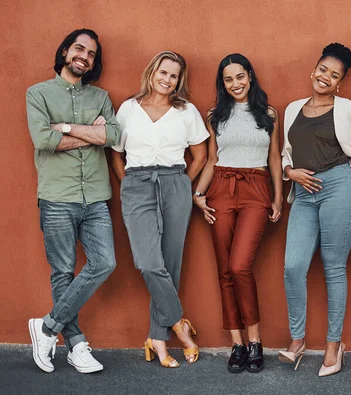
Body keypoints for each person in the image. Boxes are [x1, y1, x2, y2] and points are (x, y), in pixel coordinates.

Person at [279, 43, 351, 377]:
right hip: (305, 193)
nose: (325, 77)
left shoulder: (347, 108)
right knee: (293, 266)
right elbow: (287, 151)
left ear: (339, 83)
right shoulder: (292, 109)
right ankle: (297, 340)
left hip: (339, 187)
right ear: (314, 69)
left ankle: (334, 346)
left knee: (333, 265)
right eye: (323, 69)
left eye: (334, 75)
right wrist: (289, 171)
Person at [26, 28, 120, 373]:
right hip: (57, 196)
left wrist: (63, 128)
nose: (85, 56)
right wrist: (87, 134)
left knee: (105, 262)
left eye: (92, 53)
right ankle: (77, 344)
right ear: (65, 50)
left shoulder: (101, 96)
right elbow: (42, 139)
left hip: (95, 197)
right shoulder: (37, 93)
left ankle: (47, 327)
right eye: (79, 49)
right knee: (63, 271)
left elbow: (112, 134)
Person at [111, 51, 209, 368]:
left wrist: (182, 186)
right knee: (149, 262)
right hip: (137, 183)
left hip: (174, 183)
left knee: (170, 262)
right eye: (163, 72)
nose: (167, 80)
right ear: (152, 72)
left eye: (174, 76)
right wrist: (129, 183)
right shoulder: (128, 109)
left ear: (179, 81)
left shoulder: (186, 111)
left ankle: (157, 337)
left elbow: (201, 155)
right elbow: (116, 153)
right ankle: (179, 323)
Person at [193, 53, 283, 373]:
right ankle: (238, 343)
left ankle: (256, 341)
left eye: (240, 77)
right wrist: (198, 194)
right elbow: (212, 159)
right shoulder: (215, 115)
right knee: (225, 270)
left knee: (240, 264)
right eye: (228, 79)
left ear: (250, 76)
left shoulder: (269, 113)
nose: (235, 84)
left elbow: (274, 158)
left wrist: (278, 197)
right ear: (223, 83)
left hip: (256, 189)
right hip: (221, 189)